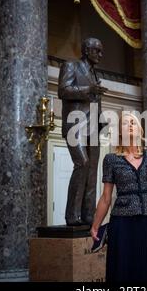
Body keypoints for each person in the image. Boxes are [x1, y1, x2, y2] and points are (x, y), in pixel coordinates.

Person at [91, 113, 147, 282]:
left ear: (140, 130)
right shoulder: (111, 159)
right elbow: (106, 197)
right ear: (120, 133)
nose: (130, 125)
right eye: (125, 123)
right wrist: (96, 225)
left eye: (133, 122)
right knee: (123, 269)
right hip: (122, 223)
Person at [58, 37, 108, 226]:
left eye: (101, 51)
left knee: (93, 171)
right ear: (87, 50)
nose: (101, 55)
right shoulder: (71, 65)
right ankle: (72, 215)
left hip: (94, 126)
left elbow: (95, 101)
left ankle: (88, 214)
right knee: (82, 163)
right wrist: (89, 89)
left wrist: (102, 119)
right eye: (98, 51)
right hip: (76, 125)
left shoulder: (95, 73)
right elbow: (63, 90)